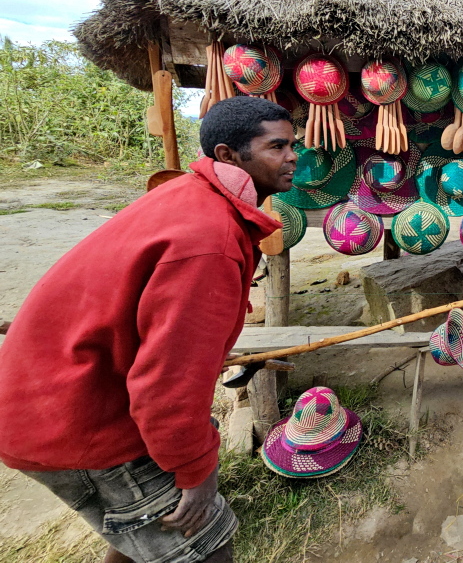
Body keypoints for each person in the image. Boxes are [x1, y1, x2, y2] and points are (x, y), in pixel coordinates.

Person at [0, 97, 297, 563]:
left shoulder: (189, 197)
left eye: (292, 145)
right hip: (78, 417)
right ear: (227, 155)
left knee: (141, 539)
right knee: (205, 546)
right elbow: (167, 382)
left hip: (48, 397)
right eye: (276, 147)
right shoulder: (209, 242)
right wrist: (196, 471)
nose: (292, 157)